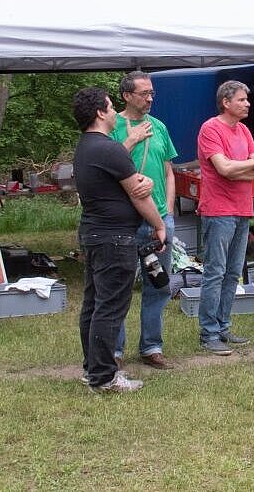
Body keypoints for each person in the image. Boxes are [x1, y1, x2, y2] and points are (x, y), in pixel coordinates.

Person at [72, 86, 166, 393]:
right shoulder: (109, 148)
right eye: (111, 107)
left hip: (95, 234)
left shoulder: (85, 147)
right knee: (110, 308)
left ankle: (92, 369)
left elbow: (130, 183)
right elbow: (138, 194)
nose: (114, 112)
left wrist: (144, 181)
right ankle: (104, 377)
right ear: (100, 113)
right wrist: (159, 225)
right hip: (114, 238)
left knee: (94, 305)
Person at [110, 71, 178, 370]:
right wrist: (132, 139)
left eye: (152, 93)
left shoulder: (159, 126)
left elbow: (168, 172)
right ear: (127, 95)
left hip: (159, 220)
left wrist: (168, 212)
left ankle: (151, 346)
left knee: (158, 284)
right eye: (144, 93)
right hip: (125, 221)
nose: (150, 98)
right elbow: (106, 165)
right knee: (119, 286)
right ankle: (115, 351)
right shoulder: (112, 126)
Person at [196, 80, 254, 355]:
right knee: (215, 272)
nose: (248, 104)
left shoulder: (244, 130)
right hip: (218, 210)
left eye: (247, 99)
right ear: (226, 103)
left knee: (233, 273)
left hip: (242, 208)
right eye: (241, 99)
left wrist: (242, 168)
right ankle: (209, 333)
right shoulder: (210, 129)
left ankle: (223, 326)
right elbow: (223, 168)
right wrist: (247, 166)